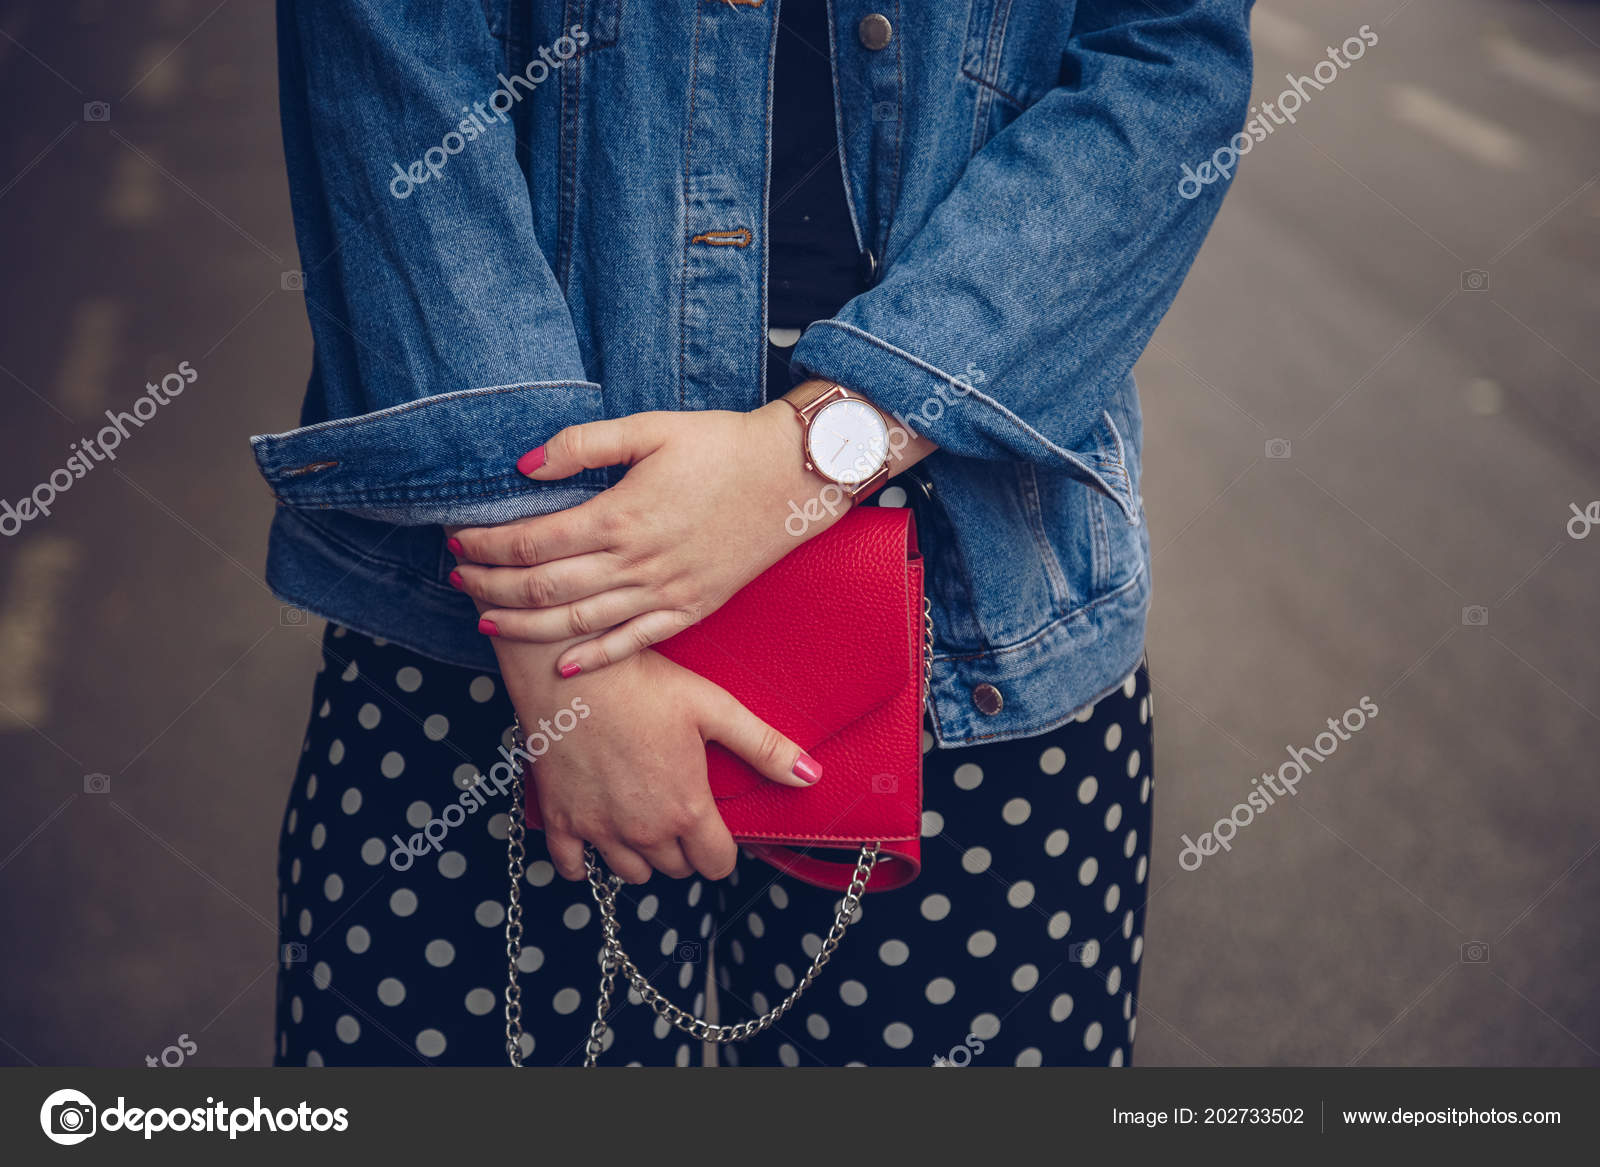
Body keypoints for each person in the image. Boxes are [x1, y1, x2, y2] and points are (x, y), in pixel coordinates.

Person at [258, 0, 1252, 1067]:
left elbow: (1165, 54)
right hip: (490, 644)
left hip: (982, 618)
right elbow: (391, 68)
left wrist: (813, 452)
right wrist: (559, 634)